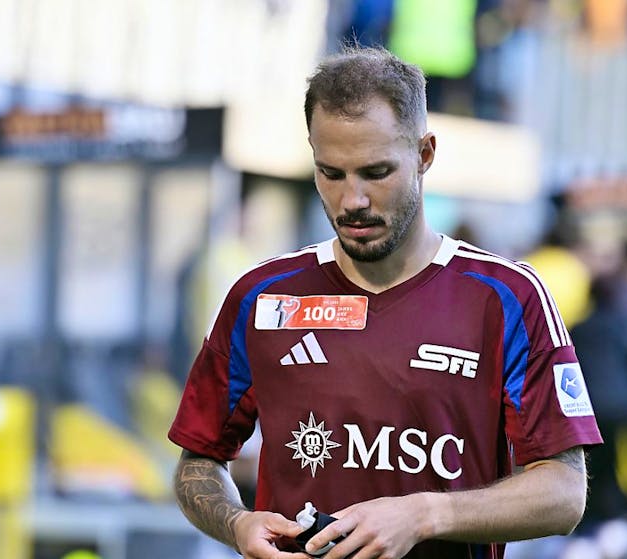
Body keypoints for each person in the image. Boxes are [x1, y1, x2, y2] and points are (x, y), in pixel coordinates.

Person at [168, 46, 602, 559]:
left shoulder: (506, 298)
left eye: (376, 173)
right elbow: (197, 461)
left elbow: (564, 493)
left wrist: (424, 515)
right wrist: (237, 525)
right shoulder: (262, 298)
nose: (352, 200)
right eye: (331, 173)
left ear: (424, 155)